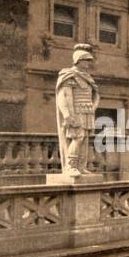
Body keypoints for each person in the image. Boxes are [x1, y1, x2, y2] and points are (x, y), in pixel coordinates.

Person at [54, 44, 99, 178]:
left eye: (89, 60)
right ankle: (71, 166)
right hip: (75, 112)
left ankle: (81, 166)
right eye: (86, 60)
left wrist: (93, 106)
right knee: (77, 137)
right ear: (78, 60)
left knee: (85, 139)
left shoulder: (87, 77)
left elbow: (94, 95)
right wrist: (67, 115)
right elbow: (64, 96)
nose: (88, 63)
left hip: (87, 111)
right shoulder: (69, 76)